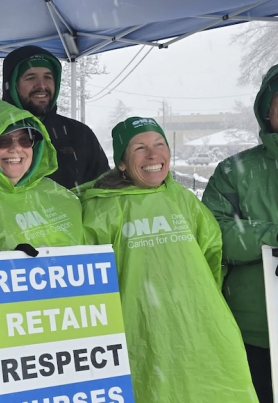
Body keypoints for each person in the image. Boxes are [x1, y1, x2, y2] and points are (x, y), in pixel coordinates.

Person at [81, 117, 257, 402]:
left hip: (200, 326)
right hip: (139, 331)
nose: (153, 154)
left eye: (159, 144)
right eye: (139, 148)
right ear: (122, 163)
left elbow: (212, 256)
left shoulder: (184, 201)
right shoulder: (101, 209)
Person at [202, 63, 278, 402]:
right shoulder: (234, 171)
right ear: (266, 110)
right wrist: (273, 236)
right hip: (254, 329)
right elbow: (216, 236)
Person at [0, 46, 109, 190]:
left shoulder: (79, 134)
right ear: (12, 85)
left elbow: (102, 192)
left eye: (48, 77)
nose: (41, 85)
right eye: (30, 77)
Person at [0, 92, 83, 250]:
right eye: (3, 141)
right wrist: (8, 263)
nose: (16, 149)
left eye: (25, 140)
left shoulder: (60, 195)